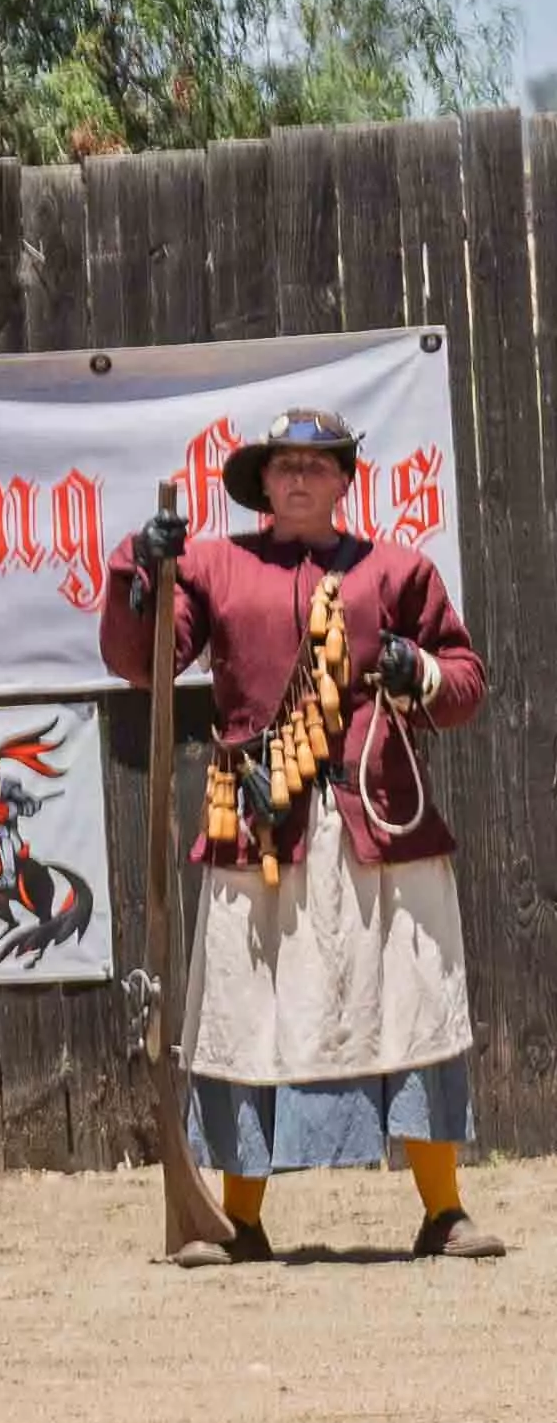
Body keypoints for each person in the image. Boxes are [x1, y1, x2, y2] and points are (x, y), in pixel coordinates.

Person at [109, 406, 494, 1261]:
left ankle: (445, 1211)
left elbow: (466, 681)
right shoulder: (212, 564)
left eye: (317, 464)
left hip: (379, 820)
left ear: (345, 478)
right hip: (258, 824)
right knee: (247, 1017)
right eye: (283, 464)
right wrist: (141, 570)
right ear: (262, 482)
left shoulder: (399, 568)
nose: (298, 477)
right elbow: (148, 663)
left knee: (415, 1005)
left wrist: (417, 670)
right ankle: (235, 1221)